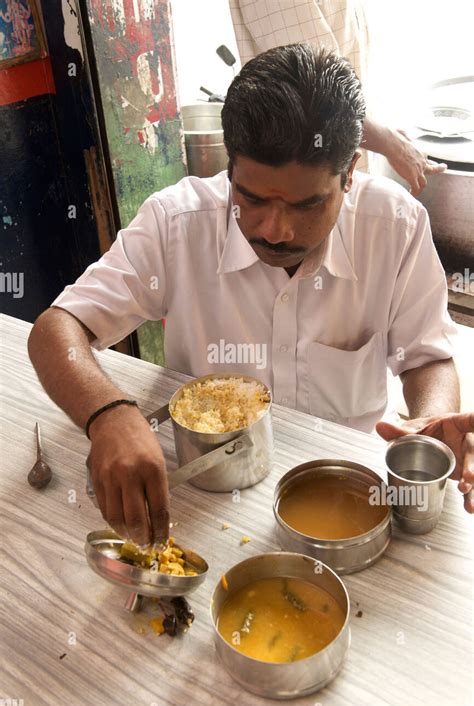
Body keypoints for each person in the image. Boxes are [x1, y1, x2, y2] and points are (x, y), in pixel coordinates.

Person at [28, 45, 473, 548]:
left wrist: (428, 423)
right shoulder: (178, 224)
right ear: (230, 165)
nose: (275, 230)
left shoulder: (394, 226)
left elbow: (426, 356)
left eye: (307, 204)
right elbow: (55, 331)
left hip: (346, 499)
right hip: (204, 499)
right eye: (252, 198)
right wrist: (108, 414)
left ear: (349, 173)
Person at [229, 0, 447, 195]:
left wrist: (378, 132)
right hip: (306, 186)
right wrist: (392, 144)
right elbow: (319, 96)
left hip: (340, 176)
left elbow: (341, 83)